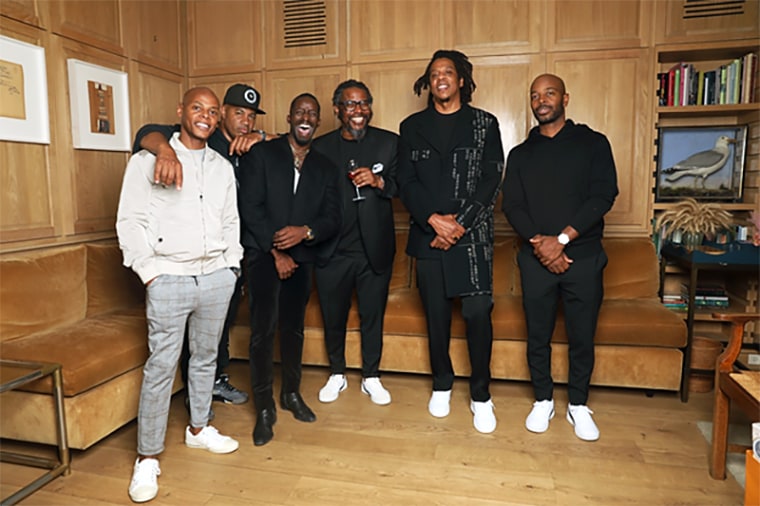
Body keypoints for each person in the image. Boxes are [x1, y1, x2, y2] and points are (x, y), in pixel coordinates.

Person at [117, 87, 242, 503]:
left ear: (218, 118)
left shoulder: (222, 167)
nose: (204, 116)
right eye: (196, 109)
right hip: (168, 276)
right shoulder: (147, 160)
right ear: (180, 113)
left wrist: (232, 267)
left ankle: (198, 428)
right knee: (161, 367)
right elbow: (129, 221)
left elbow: (231, 222)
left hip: (216, 277)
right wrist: (150, 273)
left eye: (211, 111)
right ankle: (148, 456)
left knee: (206, 358)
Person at [131, 83, 272, 408]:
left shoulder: (249, 145)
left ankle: (210, 388)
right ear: (222, 113)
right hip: (189, 260)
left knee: (222, 321)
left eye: (251, 117)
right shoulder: (199, 139)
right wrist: (164, 151)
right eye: (238, 113)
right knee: (202, 332)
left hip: (231, 251)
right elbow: (146, 132)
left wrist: (261, 137)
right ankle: (207, 390)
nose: (245, 122)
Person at [501, 73, 619, 442]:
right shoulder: (519, 154)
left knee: (582, 335)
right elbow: (512, 206)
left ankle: (578, 405)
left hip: (583, 258)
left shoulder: (593, 143)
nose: (541, 100)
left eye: (549, 93)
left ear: (565, 98)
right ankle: (543, 400)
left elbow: (603, 196)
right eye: (535, 95)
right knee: (538, 335)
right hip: (536, 259)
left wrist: (563, 239)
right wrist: (542, 244)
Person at [397, 50, 504, 434]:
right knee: (437, 319)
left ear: (462, 80)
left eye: (448, 72)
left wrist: (459, 225)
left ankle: (481, 394)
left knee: (477, 316)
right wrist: (433, 221)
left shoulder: (484, 124)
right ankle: (442, 383)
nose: (441, 77)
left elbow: (493, 177)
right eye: (434, 73)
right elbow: (405, 182)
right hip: (428, 237)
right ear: (429, 83)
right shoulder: (411, 126)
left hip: (472, 238)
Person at [237, 93, 342, 446]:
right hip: (263, 257)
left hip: (304, 259)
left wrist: (306, 233)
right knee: (262, 332)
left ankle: (291, 394)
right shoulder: (262, 155)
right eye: (300, 111)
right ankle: (264, 405)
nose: (306, 117)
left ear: (319, 120)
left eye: (312, 113)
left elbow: (332, 218)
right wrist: (275, 251)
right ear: (289, 117)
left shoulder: (326, 167)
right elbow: (249, 207)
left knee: (293, 330)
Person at [311, 79, 399, 405]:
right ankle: (337, 373)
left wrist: (378, 181)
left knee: (372, 316)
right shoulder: (319, 148)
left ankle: (371, 376)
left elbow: (403, 185)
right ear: (337, 110)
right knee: (333, 315)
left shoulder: (390, 143)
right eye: (350, 104)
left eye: (364, 103)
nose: (358, 111)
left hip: (374, 249)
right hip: (332, 250)